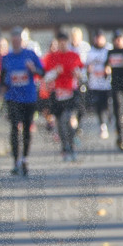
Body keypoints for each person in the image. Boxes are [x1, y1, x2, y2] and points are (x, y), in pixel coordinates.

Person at [0, 26, 45, 176]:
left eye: (18, 40)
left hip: (29, 98)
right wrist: (3, 88)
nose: (16, 43)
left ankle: (24, 158)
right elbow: (2, 78)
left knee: (26, 129)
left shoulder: (30, 55)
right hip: (13, 98)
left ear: (22, 41)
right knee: (14, 128)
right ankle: (15, 161)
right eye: (13, 41)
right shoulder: (6, 58)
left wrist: (33, 69)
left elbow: (42, 72)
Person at [42, 31, 84, 161]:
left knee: (68, 118)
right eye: (60, 43)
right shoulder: (52, 57)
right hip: (57, 93)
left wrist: (78, 74)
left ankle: (71, 145)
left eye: (64, 42)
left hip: (71, 92)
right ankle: (65, 146)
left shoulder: (74, 56)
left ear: (67, 42)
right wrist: (55, 72)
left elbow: (82, 75)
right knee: (60, 122)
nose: (62, 45)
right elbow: (46, 77)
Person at [85, 29, 112, 139]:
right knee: (98, 105)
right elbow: (85, 67)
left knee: (107, 105)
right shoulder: (90, 52)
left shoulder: (108, 50)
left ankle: (109, 119)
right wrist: (88, 70)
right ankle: (102, 125)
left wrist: (109, 68)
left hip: (107, 83)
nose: (98, 40)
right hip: (95, 83)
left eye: (100, 37)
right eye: (96, 38)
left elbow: (113, 63)